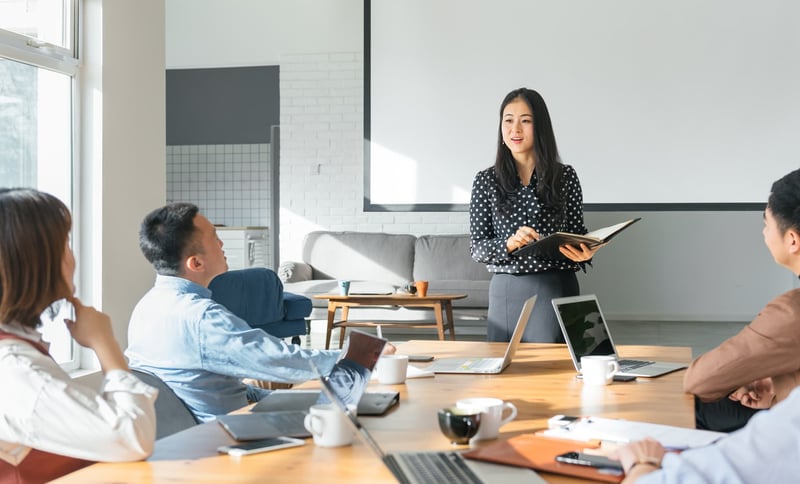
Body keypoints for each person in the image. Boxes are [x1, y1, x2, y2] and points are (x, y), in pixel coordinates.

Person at [126, 202, 394, 423]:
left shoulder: (146, 307)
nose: (222, 244)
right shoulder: (202, 317)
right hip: (231, 434)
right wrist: (362, 354)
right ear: (195, 263)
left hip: (218, 424)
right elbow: (278, 360)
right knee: (370, 419)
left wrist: (270, 397)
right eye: (214, 238)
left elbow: (200, 383)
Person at [0, 188, 157, 483]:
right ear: (36, 262)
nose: (73, 258)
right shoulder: (16, 370)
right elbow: (133, 437)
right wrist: (105, 343)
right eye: (65, 244)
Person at [470, 87, 602, 343]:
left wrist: (586, 250)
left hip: (558, 286)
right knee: (505, 376)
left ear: (540, 127)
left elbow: (577, 232)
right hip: (508, 290)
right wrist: (508, 243)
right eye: (508, 120)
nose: (515, 129)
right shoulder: (486, 180)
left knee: (559, 375)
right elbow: (477, 248)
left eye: (525, 121)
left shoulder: (565, 177)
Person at [682, 167, 800, 432]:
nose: (764, 234)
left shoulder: (792, 311)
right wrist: (777, 384)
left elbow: (698, 380)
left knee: (693, 405)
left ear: (792, 240)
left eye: (766, 225)